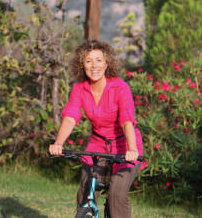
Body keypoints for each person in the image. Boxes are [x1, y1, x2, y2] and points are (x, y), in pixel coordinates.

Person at [49, 39, 145, 218]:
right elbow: (70, 116)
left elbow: (126, 121)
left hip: (126, 143)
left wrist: (132, 150)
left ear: (106, 63)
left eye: (99, 60)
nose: (94, 66)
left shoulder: (120, 87)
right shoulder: (79, 89)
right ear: (82, 65)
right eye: (88, 61)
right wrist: (58, 143)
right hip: (98, 143)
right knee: (87, 191)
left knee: (116, 194)